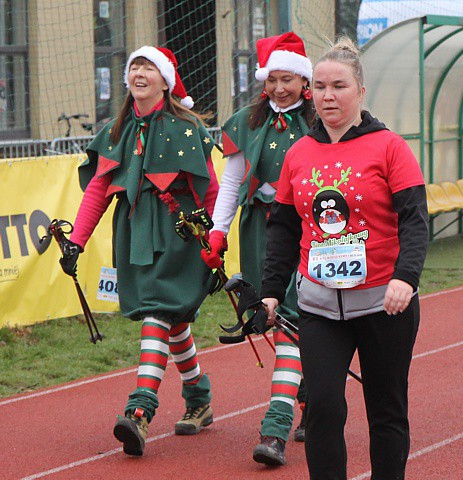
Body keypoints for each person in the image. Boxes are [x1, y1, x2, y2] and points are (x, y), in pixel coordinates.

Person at [259, 36, 428, 479]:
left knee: (386, 411)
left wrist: (405, 278)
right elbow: (282, 226)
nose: (328, 96)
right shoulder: (299, 153)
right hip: (318, 308)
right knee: (323, 409)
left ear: (360, 92)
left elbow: (414, 219)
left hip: (383, 305)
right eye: (320, 87)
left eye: (339, 86)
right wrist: (271, 292)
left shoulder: (390, 147)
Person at [59, 46, 219, 456]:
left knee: (157, 312)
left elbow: (213, 188)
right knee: (172, 317)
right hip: (134, 232)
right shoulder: (116, 131)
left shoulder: (187, 128)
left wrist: (216, 240)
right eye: (134, 67)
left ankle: (140, 410)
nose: (139, 73)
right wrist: (76, 240)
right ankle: (199, 397)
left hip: (181, 233)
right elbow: (97, 189)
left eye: (148, 67)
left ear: (166, 81)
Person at [201, 31, 313, 467]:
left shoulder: (321, 120)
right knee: (279, 317)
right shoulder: (247, 122)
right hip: (261, 231)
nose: (280, 88)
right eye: (273, 80)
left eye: (288, 79)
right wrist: (217, 232)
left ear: (304, 81)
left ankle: (277, 425)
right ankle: (308, 399)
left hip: (310, 233)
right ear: (263, 82)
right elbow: (231, 183)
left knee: (294, 320)